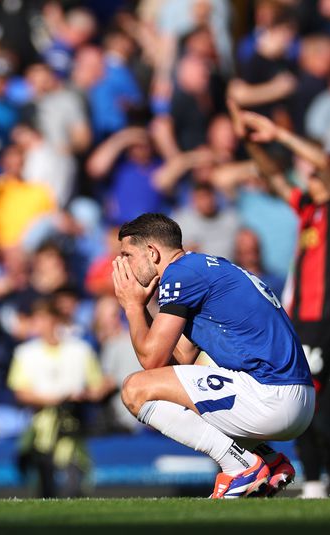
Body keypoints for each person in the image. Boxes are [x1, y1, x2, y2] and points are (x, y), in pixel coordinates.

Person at [111, 213, 313, 499]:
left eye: (127, 255)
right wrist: (141, 307)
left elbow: (151, 362)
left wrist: (131, 306)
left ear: (152, 252)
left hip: (272, 395)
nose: (122, 265)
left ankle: (240, 466)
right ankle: (266, 460)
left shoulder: (180, 274)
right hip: (293, 398)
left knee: (134, 389)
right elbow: (177, 362)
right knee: (160, 387)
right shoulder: (202, 268)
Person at [231, 103, 330, 498]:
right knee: (310, 398)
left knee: (316, 399)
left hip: (324, 319)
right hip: (305, 320)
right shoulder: (308, 209)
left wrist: (281, 134)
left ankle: (316, 479)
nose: (309, 174)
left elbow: (322, 159)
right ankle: (314, 480)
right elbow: (272, 176)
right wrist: (250, 141)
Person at [7, 299, 110, 498]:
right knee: (44, 488)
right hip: (40, 432)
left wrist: (82, 396)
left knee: (74, 486)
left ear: (54, 319)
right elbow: (20, 391)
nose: (37, 324)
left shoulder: (80, 350)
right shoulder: (25, 353)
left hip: (73, 429)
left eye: (41, 318)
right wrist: (55, 400)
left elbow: (97, 386)